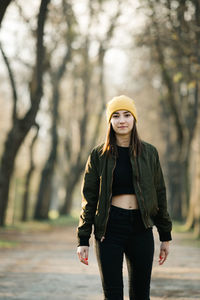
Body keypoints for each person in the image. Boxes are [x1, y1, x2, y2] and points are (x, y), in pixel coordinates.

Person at [77, 95, 172, 300]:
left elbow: (159, 193)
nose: (122, 120)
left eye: (127, 115)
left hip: (141, 228)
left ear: (134, 119)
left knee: (140, 295)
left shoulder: (149, 153)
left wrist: (165, 234)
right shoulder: (98, 155)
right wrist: (82, 238)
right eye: (116, 116)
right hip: (110, 229)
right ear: (110, 121)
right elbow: (89, 198)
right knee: (112, 295)